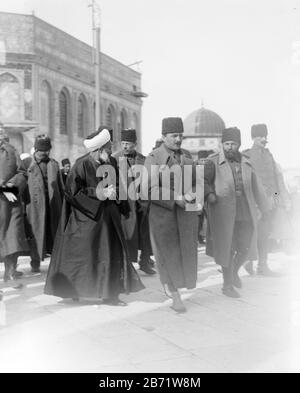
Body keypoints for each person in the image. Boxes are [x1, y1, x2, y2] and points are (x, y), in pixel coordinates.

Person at [44, 127, 144, 305]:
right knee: (81, 257)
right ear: (98, 149)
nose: (111, 150)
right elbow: (73, 192)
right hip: (87, 219)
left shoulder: (111, 162)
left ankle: (111, 295)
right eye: (108, 147)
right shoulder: (81, 165)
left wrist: (116, 195)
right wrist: (100, 193)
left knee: (110, 256)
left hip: (109, 220)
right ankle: (72, 289)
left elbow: (119, 185)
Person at [204, 127, 270, 298]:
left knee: (246, 247)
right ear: (222, 144)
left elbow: (258, 187)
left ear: (239, 145)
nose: (229, 147)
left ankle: (234, 272)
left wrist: (265, 207)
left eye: (233, 144)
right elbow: (203, 182)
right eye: (226, 144)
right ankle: (226, 285)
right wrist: (209, 194)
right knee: (228, 249)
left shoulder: (247, 162)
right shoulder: (212, 162)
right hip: (223, 214)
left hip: (245, 211)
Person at [142, 117, 199, 313]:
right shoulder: (154, 158)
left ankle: (174, 287)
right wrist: (175, 198)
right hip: (163, 217)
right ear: (163, 136)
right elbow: (148, 188)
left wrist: (192, 197)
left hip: (184, 216)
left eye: (180, 135)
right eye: (174, 135)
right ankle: (175, 296)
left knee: (184, 254)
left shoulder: (186, 156)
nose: (178, 139)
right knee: (168, 255)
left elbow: (195, 183)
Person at [243, 124, 291, 276]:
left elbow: (275, 180)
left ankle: (262, 265)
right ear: (253, 138)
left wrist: (278, 199)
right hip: (255, 203)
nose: (263, 139)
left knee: (265, 234)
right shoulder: (247, 155)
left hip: (270, 203)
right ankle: (248, 262)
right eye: (259, 136)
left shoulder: (269, 156)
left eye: (264, 136)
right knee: (253, 234)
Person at [113, 128, 156, 275]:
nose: (125, 146)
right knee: (126, 234)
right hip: (124, 205)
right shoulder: (114, 159)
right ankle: (125, 265)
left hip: (142, 204)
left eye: (128, 144)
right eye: (123, 143)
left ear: (135, 144)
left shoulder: (143, 160)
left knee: (144, 234)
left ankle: (145, 262)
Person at [26, 135, 64, 273]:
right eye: (43, 150)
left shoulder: (54, 164)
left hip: (52, 205)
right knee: (35, 234)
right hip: (35, 207)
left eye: (48, 150)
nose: (46, 153)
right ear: (36, 150)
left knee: (53, 233)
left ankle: (56, 263)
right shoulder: (28, 165)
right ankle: (35, 262)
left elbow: (60, 186)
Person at [0, 123, 28, 281]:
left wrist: (10, 188)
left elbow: (22, 172)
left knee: (13, 235)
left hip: (11, 202)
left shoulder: (11, 150)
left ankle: (10, 270)